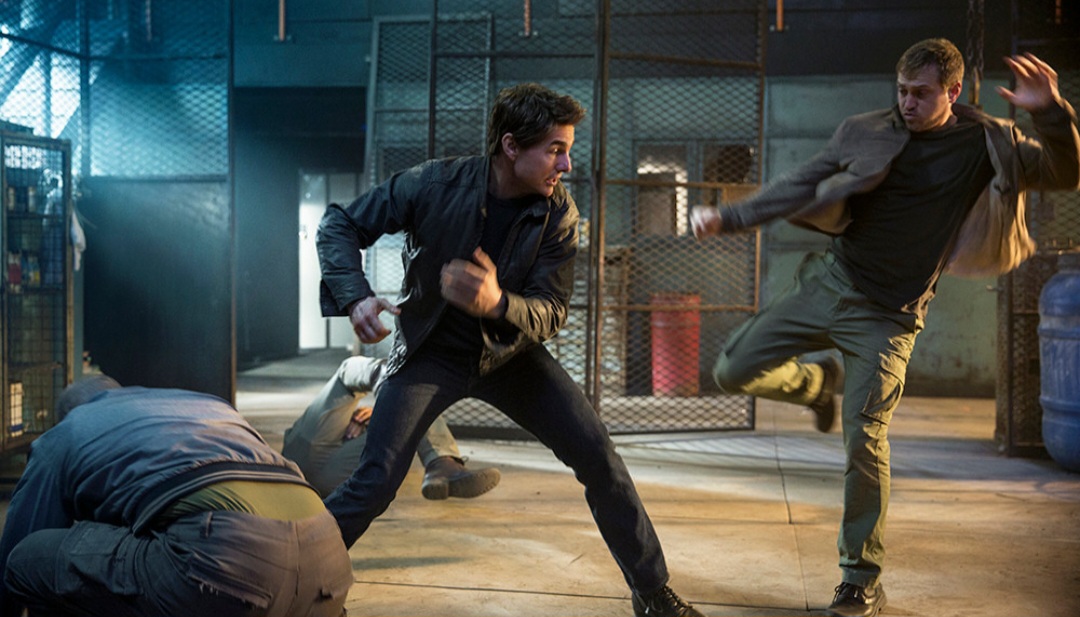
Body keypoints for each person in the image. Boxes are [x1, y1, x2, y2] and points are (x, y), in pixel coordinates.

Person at [690, 39, 1079, 617]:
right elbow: (802, 181)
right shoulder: (863, 129)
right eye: (901, 91)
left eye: (921, 93)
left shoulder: (989, 141)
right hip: (829, 282)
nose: (908, 103)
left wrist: (1050, 112)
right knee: (731, 370)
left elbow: (1065, 173)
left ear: (953, 92)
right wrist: (729, 217)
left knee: (865, 442)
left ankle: (860, 578)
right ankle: (814, 384)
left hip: (889, 317)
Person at [316, 82, 704, 617]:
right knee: (376, 480)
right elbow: (339, 222)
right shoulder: (435, 183)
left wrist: (498, 303)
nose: (566, 164)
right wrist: (355, 296)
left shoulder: (558, 213)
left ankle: (653, 593)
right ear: (511, 146)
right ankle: (294, 576)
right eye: (555, 150)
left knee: (599, 458)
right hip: (430, 352)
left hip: (509, 354)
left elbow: (552, 311)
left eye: (568, 149)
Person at [0, 375, 354, 617]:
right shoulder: (208, 405)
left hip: (228, 565)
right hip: (328, 565)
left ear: (67, 414)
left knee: (30, 560)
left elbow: (18, 544)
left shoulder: (70, 430)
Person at [282, 354, 501, 499]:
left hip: (308, 475)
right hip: (300, 470)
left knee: (405, 402)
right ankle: (441, 462)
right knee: (399, 392)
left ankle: (391, 386)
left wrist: (383, 410)